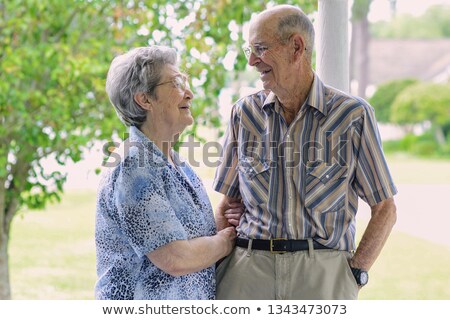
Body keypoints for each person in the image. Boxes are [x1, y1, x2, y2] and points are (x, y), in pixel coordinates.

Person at [213, 5, 397, 300]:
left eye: (260, 48)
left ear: (296, 47)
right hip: (248, 275)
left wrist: (355, 273)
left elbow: (385, 208)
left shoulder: (353, 116)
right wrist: (225, 265)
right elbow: (226, 205)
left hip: (323, 277)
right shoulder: (244, 114)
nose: (251, 61)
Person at [95, 46, 242, 300]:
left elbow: (190, 239)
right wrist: (227, 239)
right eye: (176, 83)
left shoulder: (177, 164)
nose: (190, 93)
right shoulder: (133, 167)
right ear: (145, 99)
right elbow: (176, 257)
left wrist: (222, 219)